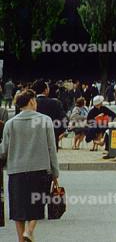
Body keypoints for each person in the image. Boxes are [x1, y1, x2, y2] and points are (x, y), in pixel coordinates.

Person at [0, 89, 60, 242]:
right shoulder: (45, 120)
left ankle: (21, 239)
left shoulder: (10, 124)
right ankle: (29, 231)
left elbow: (4, 150)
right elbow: (51, 147)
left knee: (18, 210)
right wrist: (55, 172)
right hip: (40, 170)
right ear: (32, 101)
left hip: (16, 170)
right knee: (37, 206)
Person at [32, 80, 67, 149]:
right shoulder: (55, 103)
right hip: (51, 138)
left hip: (33, 138)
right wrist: (56, 133)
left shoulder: (31, 103)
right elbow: (64, 121)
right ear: (45, 90)